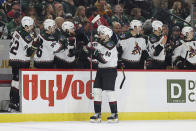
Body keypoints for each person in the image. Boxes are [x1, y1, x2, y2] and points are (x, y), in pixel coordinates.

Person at [83, 26, 118, 123]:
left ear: (107, 35)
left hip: (110, 71)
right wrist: (87, 51)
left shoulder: (110, 45)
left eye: (102, 34)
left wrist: (94, 51)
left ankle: (114, 114)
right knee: (96, 91)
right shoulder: (100, 43)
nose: (100, 35)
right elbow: (94, 59)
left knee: (109, 92)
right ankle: (97, 114)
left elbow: (104, 60)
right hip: (100, 70)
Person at [9, 16, 35, 112]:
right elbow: (29, 52)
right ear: (26, 26)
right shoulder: (26, 36)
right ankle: (15, 102)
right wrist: (34, 44)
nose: (32, 27)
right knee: (18, 82)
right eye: (31, 25)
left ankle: (12, 101)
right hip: (21, 60)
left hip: (14, 58)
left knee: (15, 80)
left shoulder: (17, 30)